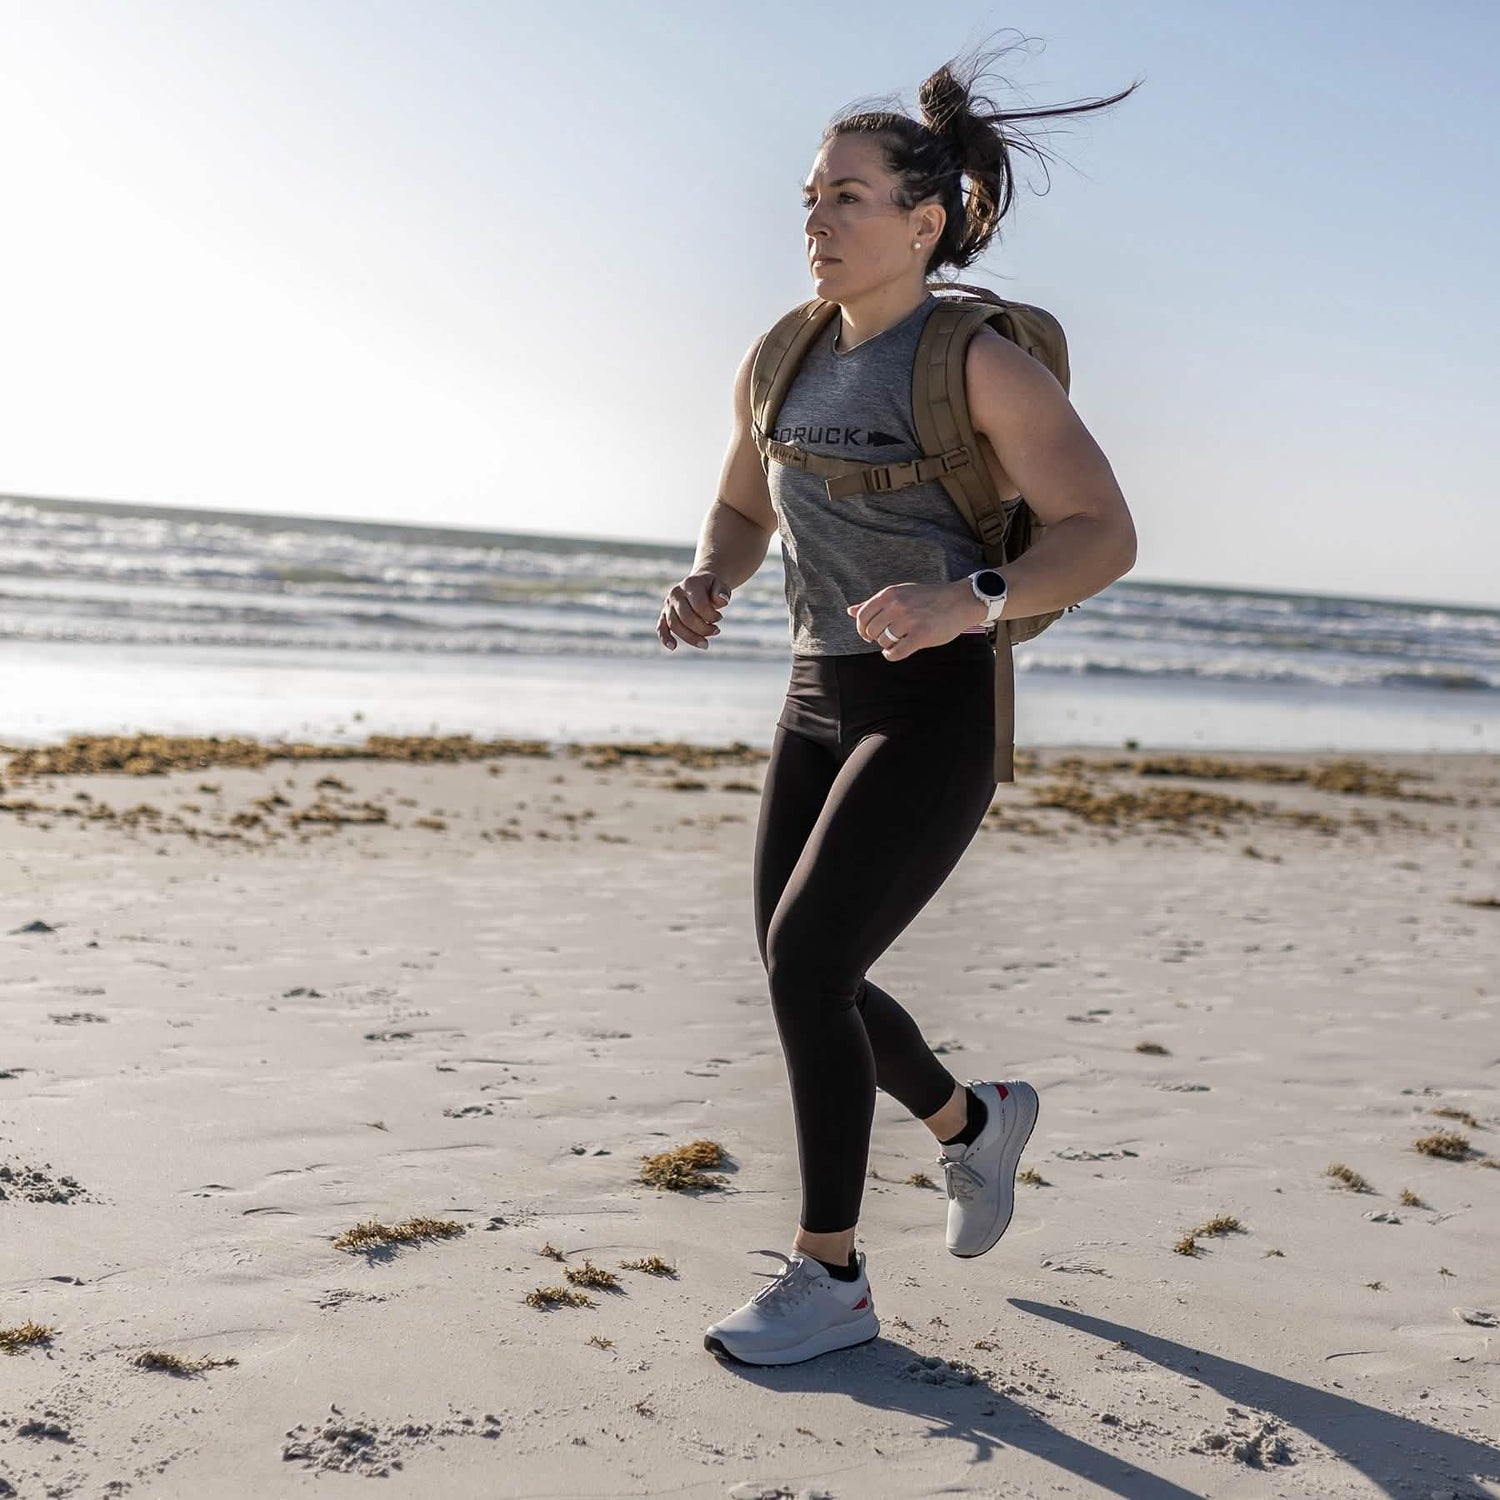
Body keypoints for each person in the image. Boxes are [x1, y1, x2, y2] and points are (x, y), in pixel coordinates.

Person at [655, 38, 1140, 1367]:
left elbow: (1103, 531)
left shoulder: (976, 360)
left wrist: (972, 595)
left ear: (923, 222)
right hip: (816, 691)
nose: (815, 217)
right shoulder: (783, 356)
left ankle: (830, 1278)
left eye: (847, 196)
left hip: (936, 706)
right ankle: (973, 1128)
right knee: (804, 969)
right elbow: (743, 505)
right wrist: (711, 575)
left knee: (811, 962)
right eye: (810, 194)